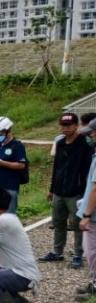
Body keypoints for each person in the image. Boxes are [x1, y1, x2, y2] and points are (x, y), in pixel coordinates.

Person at [39, 112, 92, 269]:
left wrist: (85, 193)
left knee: (77, 224)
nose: (65, 128)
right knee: (58, 222)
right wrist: (51, 188)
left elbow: (87, 170)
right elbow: (56, 167)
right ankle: (57, 251)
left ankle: (78, 254)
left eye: (68, 125)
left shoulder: (85, 144)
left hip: (76, 192)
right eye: (63, 125)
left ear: (76, 126)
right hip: (59, 190)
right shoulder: (60, 143)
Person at [75, 113, 96, 300]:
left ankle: (95, 287)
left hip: (94, 216)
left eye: (92, 133)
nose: (90, 137)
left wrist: (87, 214)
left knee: (92, 251)